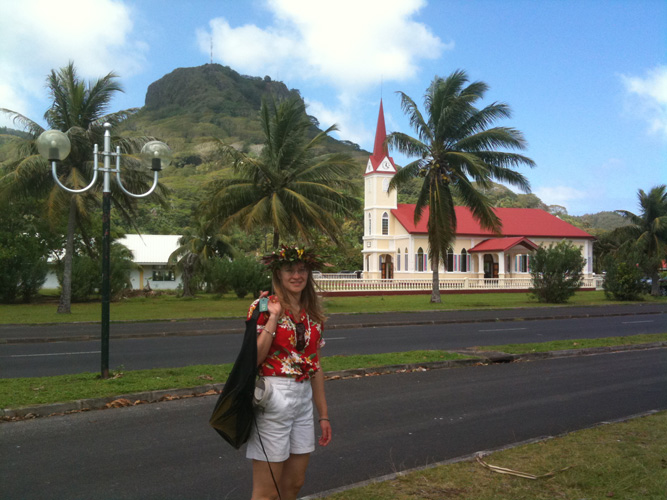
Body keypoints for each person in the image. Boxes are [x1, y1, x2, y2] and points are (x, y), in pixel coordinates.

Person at [246, 246, 332, 500]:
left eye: (302, 270)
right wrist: (273, 318)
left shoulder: (313, 316)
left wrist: (323, 415)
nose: (297, 275)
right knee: (267, 491)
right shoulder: (262, 307)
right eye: (289, 270)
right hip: (274, 395)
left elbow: (315, 366)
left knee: (294, 483)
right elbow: (255, 358)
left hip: (302, 397)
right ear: (278, 274)